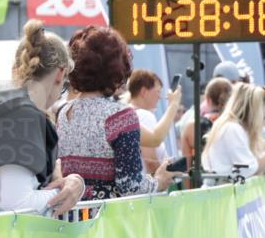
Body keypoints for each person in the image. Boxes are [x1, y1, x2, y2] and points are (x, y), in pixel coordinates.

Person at [0, 21, 85, 215]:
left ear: (15, 68)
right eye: (64, 86)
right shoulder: (23, 118)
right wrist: (69, 188)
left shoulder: (5, 112)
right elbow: (18, 204)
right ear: (60, 74)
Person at [56, 26, 182, 199]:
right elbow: (130, 186)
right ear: (116, 69)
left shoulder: (63, 112)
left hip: (70, 212)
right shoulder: (121, 117)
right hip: (108, 215)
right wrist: (159, 180)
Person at [202, 83, 265, 180]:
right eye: (262, 107)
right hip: (223, 188)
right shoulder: (232, 128)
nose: (264, 113)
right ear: (252, 109)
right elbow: (248, 169)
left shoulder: (236, 128)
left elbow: (255, 165)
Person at [127, 69, 181, 174]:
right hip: (151, 182)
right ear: (143, 92)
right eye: (158, 92)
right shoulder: (144, 115)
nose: (160, 97)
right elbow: (150, 161)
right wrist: (174, 104)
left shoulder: (128, 113)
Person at [180, 77, 233, 174]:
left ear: (207, 99)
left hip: (205, 180)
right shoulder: (238, 124)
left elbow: (187, 169)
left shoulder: (191, 127)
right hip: (235, 180)